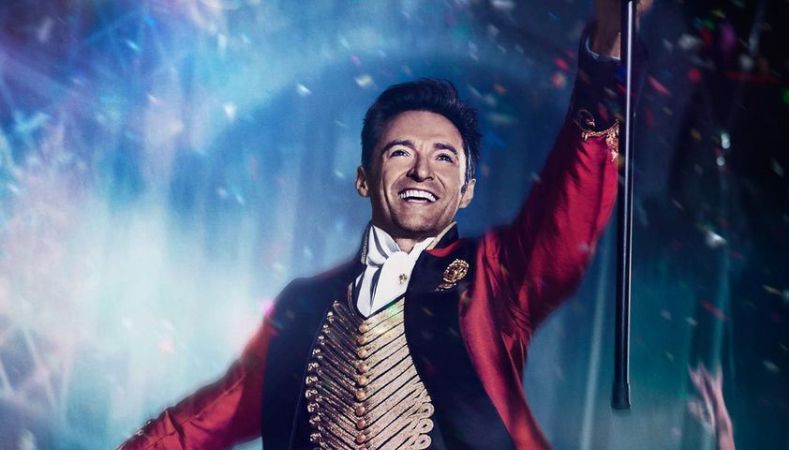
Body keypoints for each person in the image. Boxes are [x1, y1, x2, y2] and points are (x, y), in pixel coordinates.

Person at [119, 2, 630, 449]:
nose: (422, 171)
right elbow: (205, 420)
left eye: (445, 157)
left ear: (467, 191)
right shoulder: (303, 305)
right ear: (364, 179)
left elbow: (566, 216)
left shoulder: (493, 277)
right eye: (400, 152)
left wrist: (605, 54)